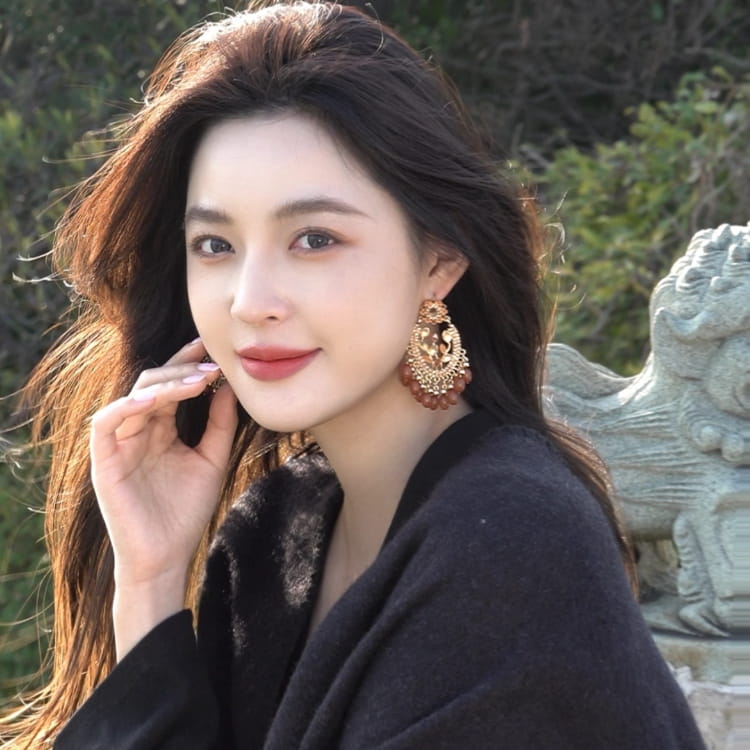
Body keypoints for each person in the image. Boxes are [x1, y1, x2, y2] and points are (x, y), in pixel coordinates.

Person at [1, 2, 707, 748]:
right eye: (214, 245)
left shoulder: (513, 543)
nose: (249, 302)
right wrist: (149, 579)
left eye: (314, 239)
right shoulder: (275, 531)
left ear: (438, 261)